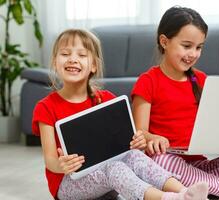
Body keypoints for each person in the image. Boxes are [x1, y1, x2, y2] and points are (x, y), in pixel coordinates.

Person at [32, 29, 209, 200]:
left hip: (106, 181)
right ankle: (167, 198)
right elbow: (50, 161)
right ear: (55, 62)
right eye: (65, 54)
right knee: (114, 167)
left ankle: (185, 192)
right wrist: (61, 165)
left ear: (93, 65)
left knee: (134, 155)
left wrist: (138, 143)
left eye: (81, 55)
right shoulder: (46, 107)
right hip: (69, 184)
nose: (72, 59)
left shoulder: (107, 99)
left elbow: (126, 144)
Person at [131, 6, 219, 200]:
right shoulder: (148, 81)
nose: (193, 54)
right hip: (168, 163)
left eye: (199, 47)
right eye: (187, 46)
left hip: (198, 165)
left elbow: (216, 122)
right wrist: (152, 137)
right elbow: (139, 134)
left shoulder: (201, 80)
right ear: (164, 42)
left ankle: (201, 188)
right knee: (162, 162)